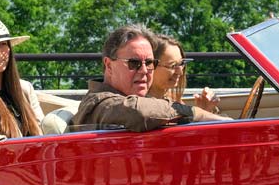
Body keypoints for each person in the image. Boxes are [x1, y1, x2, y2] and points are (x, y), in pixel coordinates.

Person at [73, 24, 229, 131]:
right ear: (109, 65)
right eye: (133, 63)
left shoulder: (125, 98)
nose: (144, 70)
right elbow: (139, 112)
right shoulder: (101, 103)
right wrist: (198, 114)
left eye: (149, 63)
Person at [150, 33, 220, 114]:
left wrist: (205, 109)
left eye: (181, 64)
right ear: (151, 65)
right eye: (173, 66)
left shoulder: (172, 99)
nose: (180, 72)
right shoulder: (143, 107)